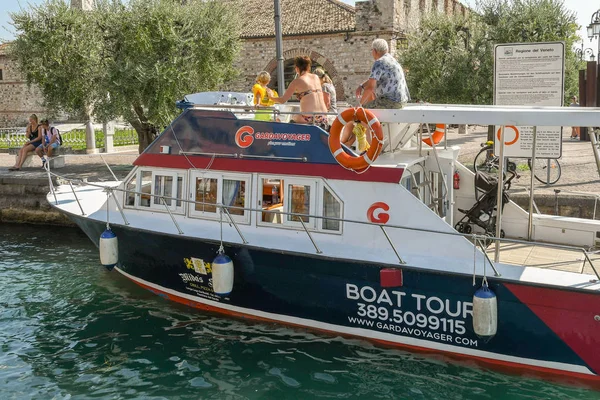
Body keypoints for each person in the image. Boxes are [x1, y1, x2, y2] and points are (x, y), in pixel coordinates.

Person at [268, 56, 328, 130]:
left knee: (292, 118)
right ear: (308, 67)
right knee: (296, 116)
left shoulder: (297, 81)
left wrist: (271, 97)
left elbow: (282, 100)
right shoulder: (316, 77)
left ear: (296, 68)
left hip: (309, 118)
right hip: (323, 117)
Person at [355, 38, 410, 109]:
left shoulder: (379, 63)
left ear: (374, 51)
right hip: (401, 101)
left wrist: (360, 104)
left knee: (364, 109)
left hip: (390, 102)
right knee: (372, 98)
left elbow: (370, 88)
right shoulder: (392, 60)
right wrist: (362, 86)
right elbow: (373, 79)